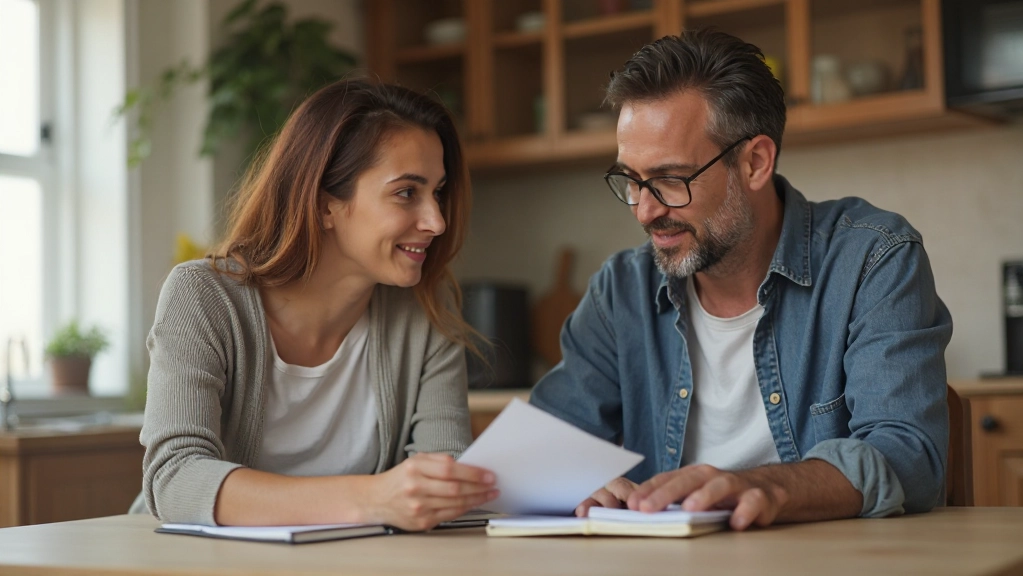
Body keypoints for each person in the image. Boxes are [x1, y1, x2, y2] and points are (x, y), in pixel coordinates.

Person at [530, 29, 952, 531]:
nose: (644, 211)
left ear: (755, 162)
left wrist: (768, 487)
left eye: (670, 180)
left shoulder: (871, 259)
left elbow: (908, 455)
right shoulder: (621, 291)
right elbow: (541, 450)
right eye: (632, 181)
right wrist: (571, 479)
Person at [128, 79, 498, 530]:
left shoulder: (426, 309)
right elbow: (176, 481)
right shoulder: (203, 296)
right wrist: (373, 499)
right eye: (406, 193)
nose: (436, 221)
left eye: (438, 192)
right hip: (189, 558)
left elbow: (443, 474)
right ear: (324, 204)